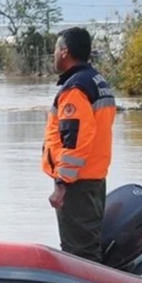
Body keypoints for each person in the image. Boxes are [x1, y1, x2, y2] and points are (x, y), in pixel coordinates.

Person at [42, 27, 115, 262]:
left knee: (79, 255)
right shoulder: (97, 82)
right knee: (87, 248)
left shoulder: (75, 89)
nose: (53, 54)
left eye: (55, 49)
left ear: (64, 52)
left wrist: (62, 183)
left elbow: (75, 141)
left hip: (78, 185)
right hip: (94, 179)